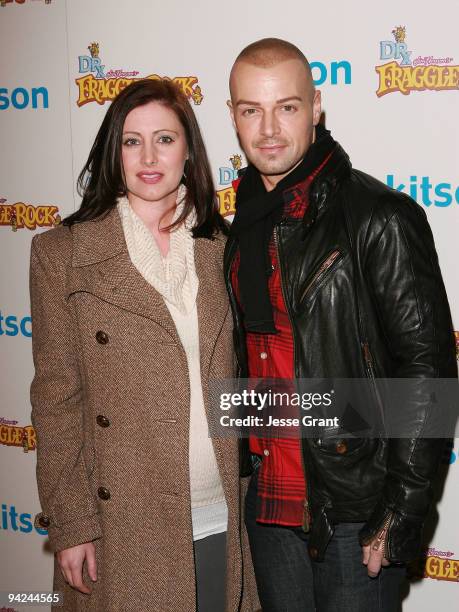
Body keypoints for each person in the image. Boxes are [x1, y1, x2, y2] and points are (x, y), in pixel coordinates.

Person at [224, 38, 457, 612]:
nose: (269, 128)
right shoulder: (242, 221)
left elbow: (428, 370)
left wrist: (401, 511)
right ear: (232, 115)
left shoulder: (379, 216)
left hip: (356, 509)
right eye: (251, 110)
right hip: (268, 501)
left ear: (317, 106)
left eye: (288, 106)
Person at [30, 78, 258, 612]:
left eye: (165, 139)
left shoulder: (225, 247)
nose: (149, 157)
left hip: (226, 512)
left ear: (189, 151)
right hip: (123, 525)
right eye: (132, 141)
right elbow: (56, 400)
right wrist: (71, 525)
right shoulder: (60, 254)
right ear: (115, 151)